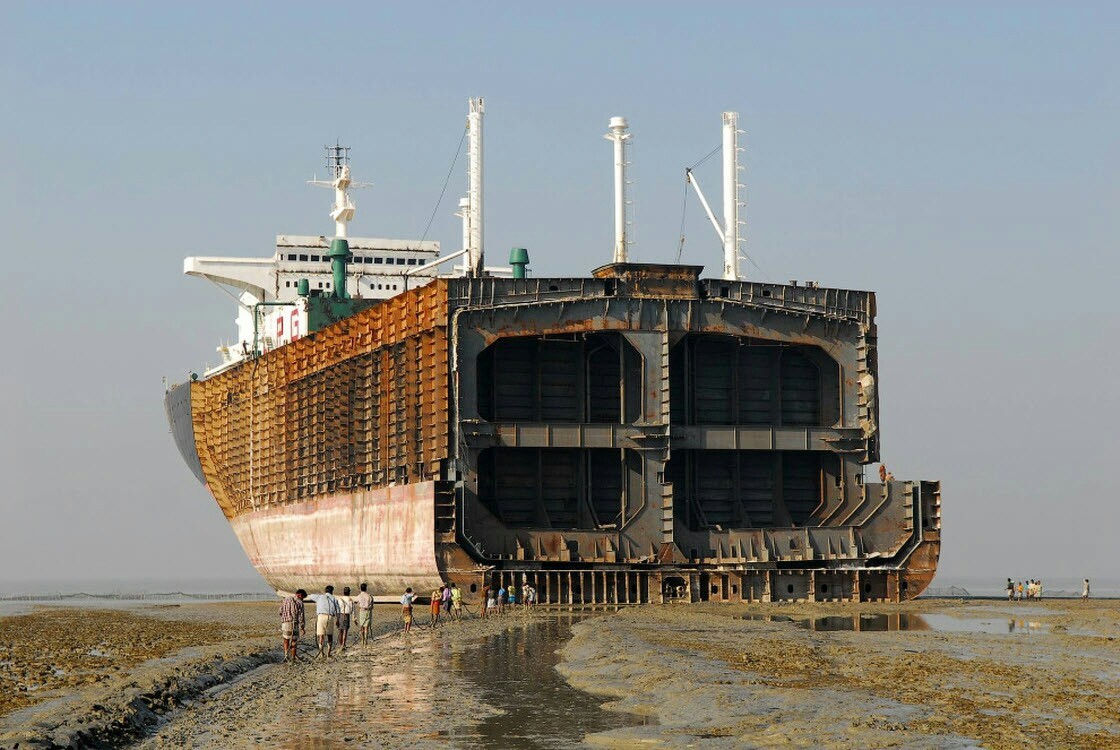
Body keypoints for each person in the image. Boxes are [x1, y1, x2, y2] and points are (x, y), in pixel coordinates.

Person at [304, 586, 342, 657]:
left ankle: (321, 653)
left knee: (321, 636)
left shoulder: (319, 597)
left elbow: (309, 596)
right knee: (329, 635)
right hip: (330, 617)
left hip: (321, 617)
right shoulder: (334, 599)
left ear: (325, 590)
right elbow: (338, 611)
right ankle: (328, 653)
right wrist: (338, 620)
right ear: (332, 591)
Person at [279, 589, 307, 663]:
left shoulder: (285, 600)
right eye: (303, 598)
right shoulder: (299, 602)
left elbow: (280, 611)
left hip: (285, 623)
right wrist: (302, 627)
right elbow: (301, 616)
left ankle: (286, 656)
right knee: (294, 641)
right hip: (294, 623)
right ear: (300, 595)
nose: (302, 599)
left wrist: (285, 617)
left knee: (286, 640)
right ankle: (293, 658)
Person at [337, 586, 354, 650]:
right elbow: (353, 611)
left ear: (343, 592)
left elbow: (337, 610)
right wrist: (354, 619)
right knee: (345, 631)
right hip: (347, 616)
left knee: (340, 631)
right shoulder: (350, 600)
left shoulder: (339, 600)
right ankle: (343, 645)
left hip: (340, 615)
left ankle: (340, 645)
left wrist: (337, 619)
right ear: (349, 592)